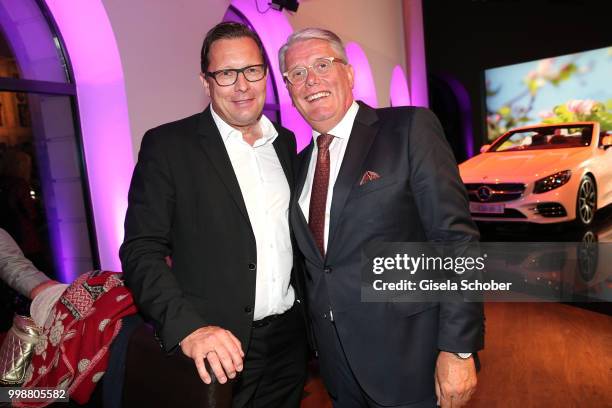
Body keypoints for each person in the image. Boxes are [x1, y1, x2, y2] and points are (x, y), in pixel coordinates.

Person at [278, 28, 484, 408]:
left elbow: (456, 241)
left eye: (322, 64)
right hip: (338, 369)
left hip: (412, 361)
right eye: (297, 74)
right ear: (289, 90)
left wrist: (458, 349)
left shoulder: (408, 129)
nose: (311, 80)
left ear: (349, 73)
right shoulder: (300, 165)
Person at [120, 22, 307, 408]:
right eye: (226, 74)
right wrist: (188, 329)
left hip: (291, 342)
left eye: (252, 71)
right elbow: (141, 250)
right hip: (217, 349)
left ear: (266, 75)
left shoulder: (285, 143)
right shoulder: (168, 146)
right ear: (206, 82)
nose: (242, 85)